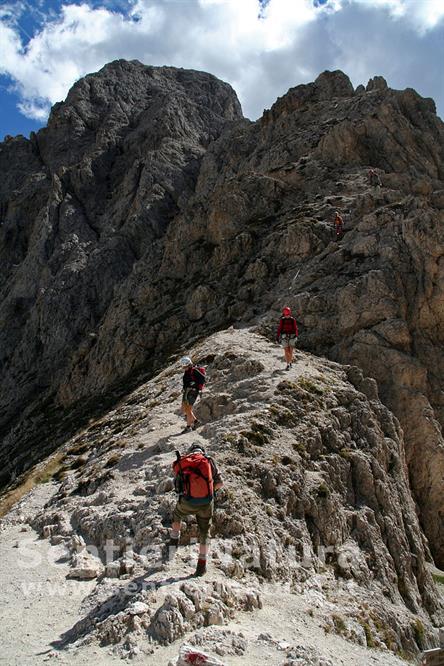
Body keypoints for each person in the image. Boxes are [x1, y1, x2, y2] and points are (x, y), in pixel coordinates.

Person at [168, 443, 223, 576]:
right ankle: (201, 565)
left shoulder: (185, 462)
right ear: (202, 451)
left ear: (190, 451)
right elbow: (220, 483)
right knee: (204, 531)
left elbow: (177, 483)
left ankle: (174, 539)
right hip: (206, 503)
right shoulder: (208, 461)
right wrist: (209, 492)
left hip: (187, 501)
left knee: (177, 514)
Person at [180, 356, 205, 432]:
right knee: (184, 408)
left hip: (193, 391)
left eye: (184, 365)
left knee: (188, 409)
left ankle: (188, 427)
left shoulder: (194, 370)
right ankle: (196, 421)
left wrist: (197, 387)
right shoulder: (187, 371)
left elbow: (202, 379)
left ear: (188, 364)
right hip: (187, 391)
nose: (183, 367)